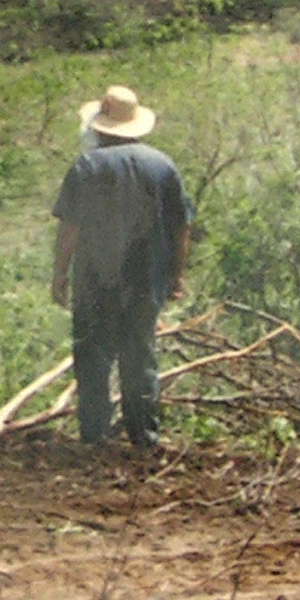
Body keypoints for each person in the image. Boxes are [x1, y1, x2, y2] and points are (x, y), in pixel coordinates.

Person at [49, 85, 190, 451]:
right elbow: (181, 228)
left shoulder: (87, 166)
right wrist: (176, 276)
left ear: (100, 127)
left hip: (96, 280)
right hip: (147, 281)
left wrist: (59, 274)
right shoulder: (162, 165)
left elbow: (70, 228)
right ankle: (145, 439)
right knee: (139, 356)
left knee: (93, 357)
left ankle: (93, 439)